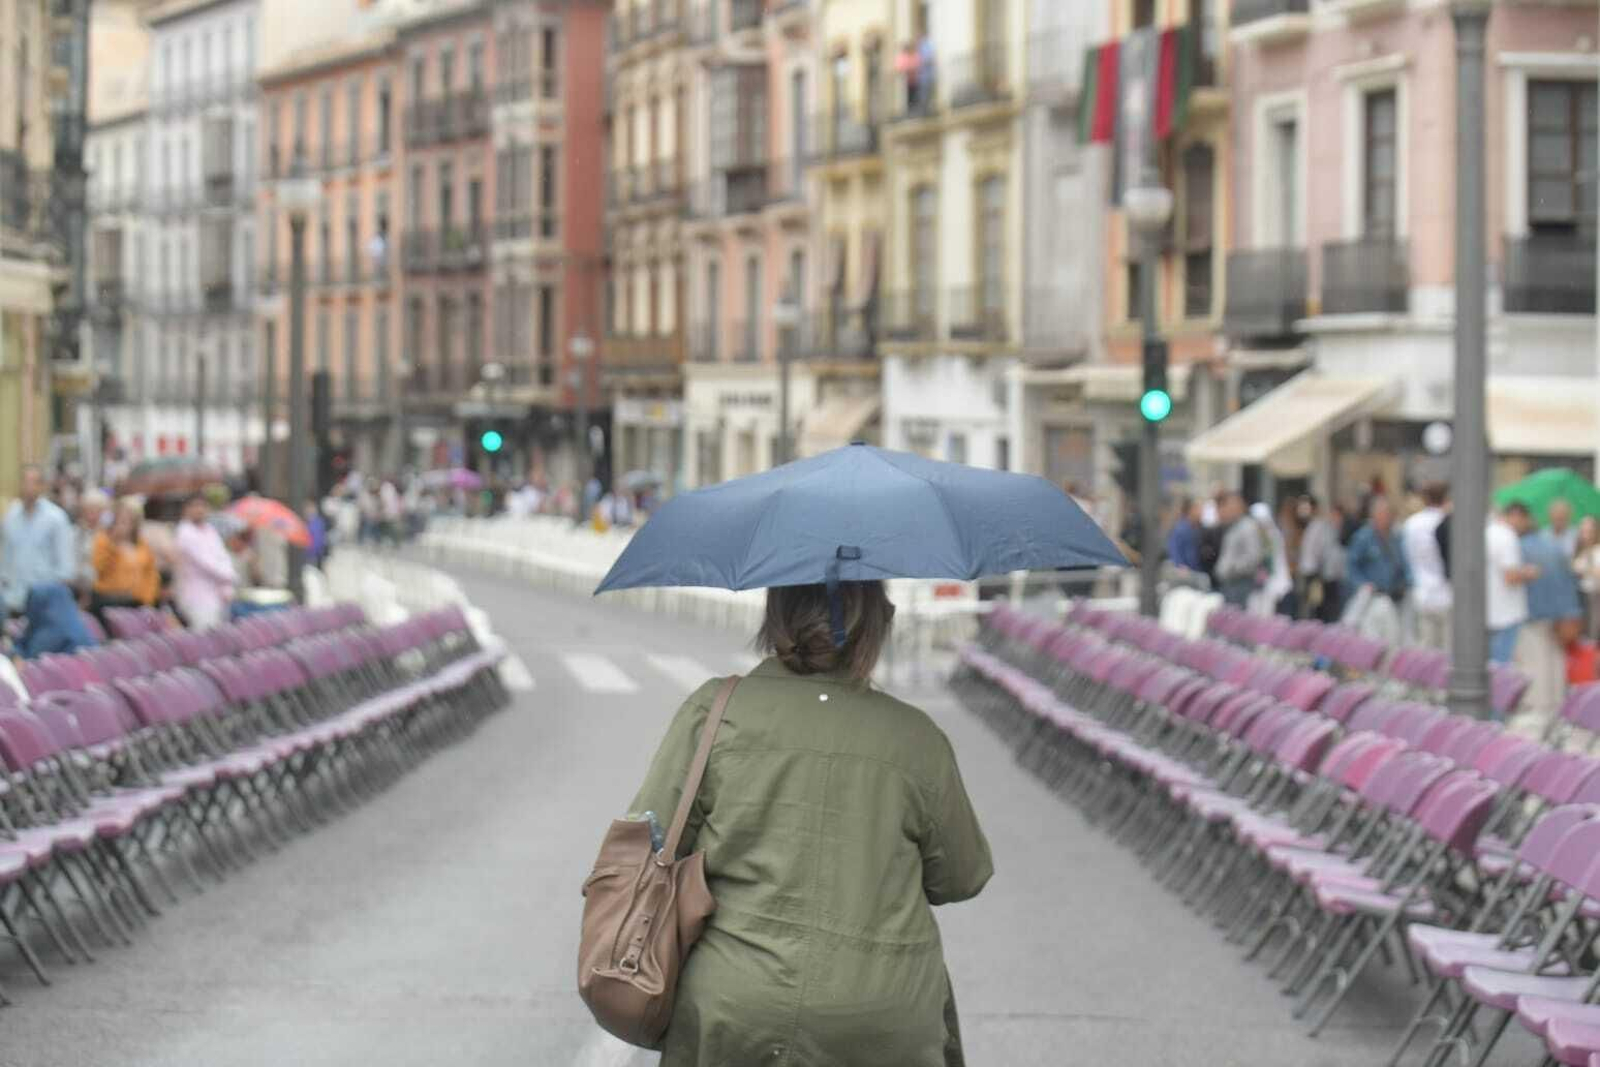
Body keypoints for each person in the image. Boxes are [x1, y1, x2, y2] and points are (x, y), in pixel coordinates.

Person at [628, 581, 991, 1065]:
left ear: (774, 615)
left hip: (732, 1005)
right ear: (876, 624)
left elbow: (648, 843)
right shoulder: (916, 739)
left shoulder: (713, 713)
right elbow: (962, 877)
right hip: (880, 1016)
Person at [1516, 510, 1584, 736]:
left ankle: (1540, 707)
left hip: (1534, 611)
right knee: (1556, 660)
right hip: (1560, 612)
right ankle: (1557, 703)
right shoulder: (1554, 547)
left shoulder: (1521, 548)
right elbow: (1569, 580)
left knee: (1536, 661)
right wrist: (1571, 611)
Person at [0, 463, 77, 617]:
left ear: (42, 486)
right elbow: (6, 557)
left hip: (44, 602)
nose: (28, 486)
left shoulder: (56, 518)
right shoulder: (11, 516)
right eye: (25, 481)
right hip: (14, 600)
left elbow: (65, 566)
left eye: (34, 482)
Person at [1345, 496, 1410, 641]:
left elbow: (1403, 563)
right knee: (1373, 637)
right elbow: (1351, 566)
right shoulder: (1364, 537)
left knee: (1394, 636)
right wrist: (1362, 584)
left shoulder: (1395, 537)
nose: (1387, 519)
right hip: (1374, 596)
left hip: (1394, 596)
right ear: (1375, 516)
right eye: (1383, 514)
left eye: (1389, 515)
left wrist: (1405, 583)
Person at [172, 494, 236, 630]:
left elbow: (223, 556)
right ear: (185, 509)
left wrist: (228, 577)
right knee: (204, 638)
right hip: (197, 597)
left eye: (202, 506)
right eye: (194, 506)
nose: (199, 510)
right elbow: (206, 564)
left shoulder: (210, 530)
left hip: (218, 596)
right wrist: (229, 576)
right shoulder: (185, 533)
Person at [1487, 502, 1539, 669]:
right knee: (1502, 665)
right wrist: (1529, 572)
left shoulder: (1487, 532)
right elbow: (1510, 576)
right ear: (1517, 517)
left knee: (1491, 662)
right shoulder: (1507, 536)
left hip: (1489, 610)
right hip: (1507, 611)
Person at [90, 499, 161, 619]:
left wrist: (148, 600)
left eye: (129, 520)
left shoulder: (141, 544)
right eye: (120, 520)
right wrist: (114, 544)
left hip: (137, 602)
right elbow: (100, 568)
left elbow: (151, 574)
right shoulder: (103, 541)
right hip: (109, 601)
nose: (124, 524)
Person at [1402, 483, 1452, 651]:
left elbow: (1407, 557)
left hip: (1421, 591)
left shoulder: (1411, 523)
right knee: (1448, 648)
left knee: (1426, 648)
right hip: (1447, 591)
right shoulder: (1447, 522)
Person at [1298, 496, 1346, 623]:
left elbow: (1321, 552)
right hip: (1313, 574)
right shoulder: (1314, 526)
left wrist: (1318, 573)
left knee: (1319, 610)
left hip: (1319, 576)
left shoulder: (1319, 526)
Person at [1213, 492, 1264, 607]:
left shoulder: (1248, 527)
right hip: (1230, 583)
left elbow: (1254, 556)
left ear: (1240, 506)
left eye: (1230, 506)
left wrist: (1231, 569)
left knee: (1236, 619)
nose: (1227, 509)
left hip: (1240, 583)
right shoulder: (1233, 526)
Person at [1248, 502, 1292, 617]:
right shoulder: (1254, 535)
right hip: (1257, 583)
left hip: (1272, 582)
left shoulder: (1273, 536)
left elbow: (1276, 561)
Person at [1575, 515, 1600, 640]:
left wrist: (1585, 569)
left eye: (1589, 531)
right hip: (1582, 592)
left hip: (1595, 594)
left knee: (1593, 627)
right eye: (1583, 531)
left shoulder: (1597, 551)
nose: (1585, 535)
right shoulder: (1580, 550)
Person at [1166, 496, 1202, 572]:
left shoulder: (1196, 528)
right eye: (1197, 508)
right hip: (1186, 573)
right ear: (1190, 510)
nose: (1200, 511)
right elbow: (1174, 550)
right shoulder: (1180, 529)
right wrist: (1180, 566)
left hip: (1195, 571)